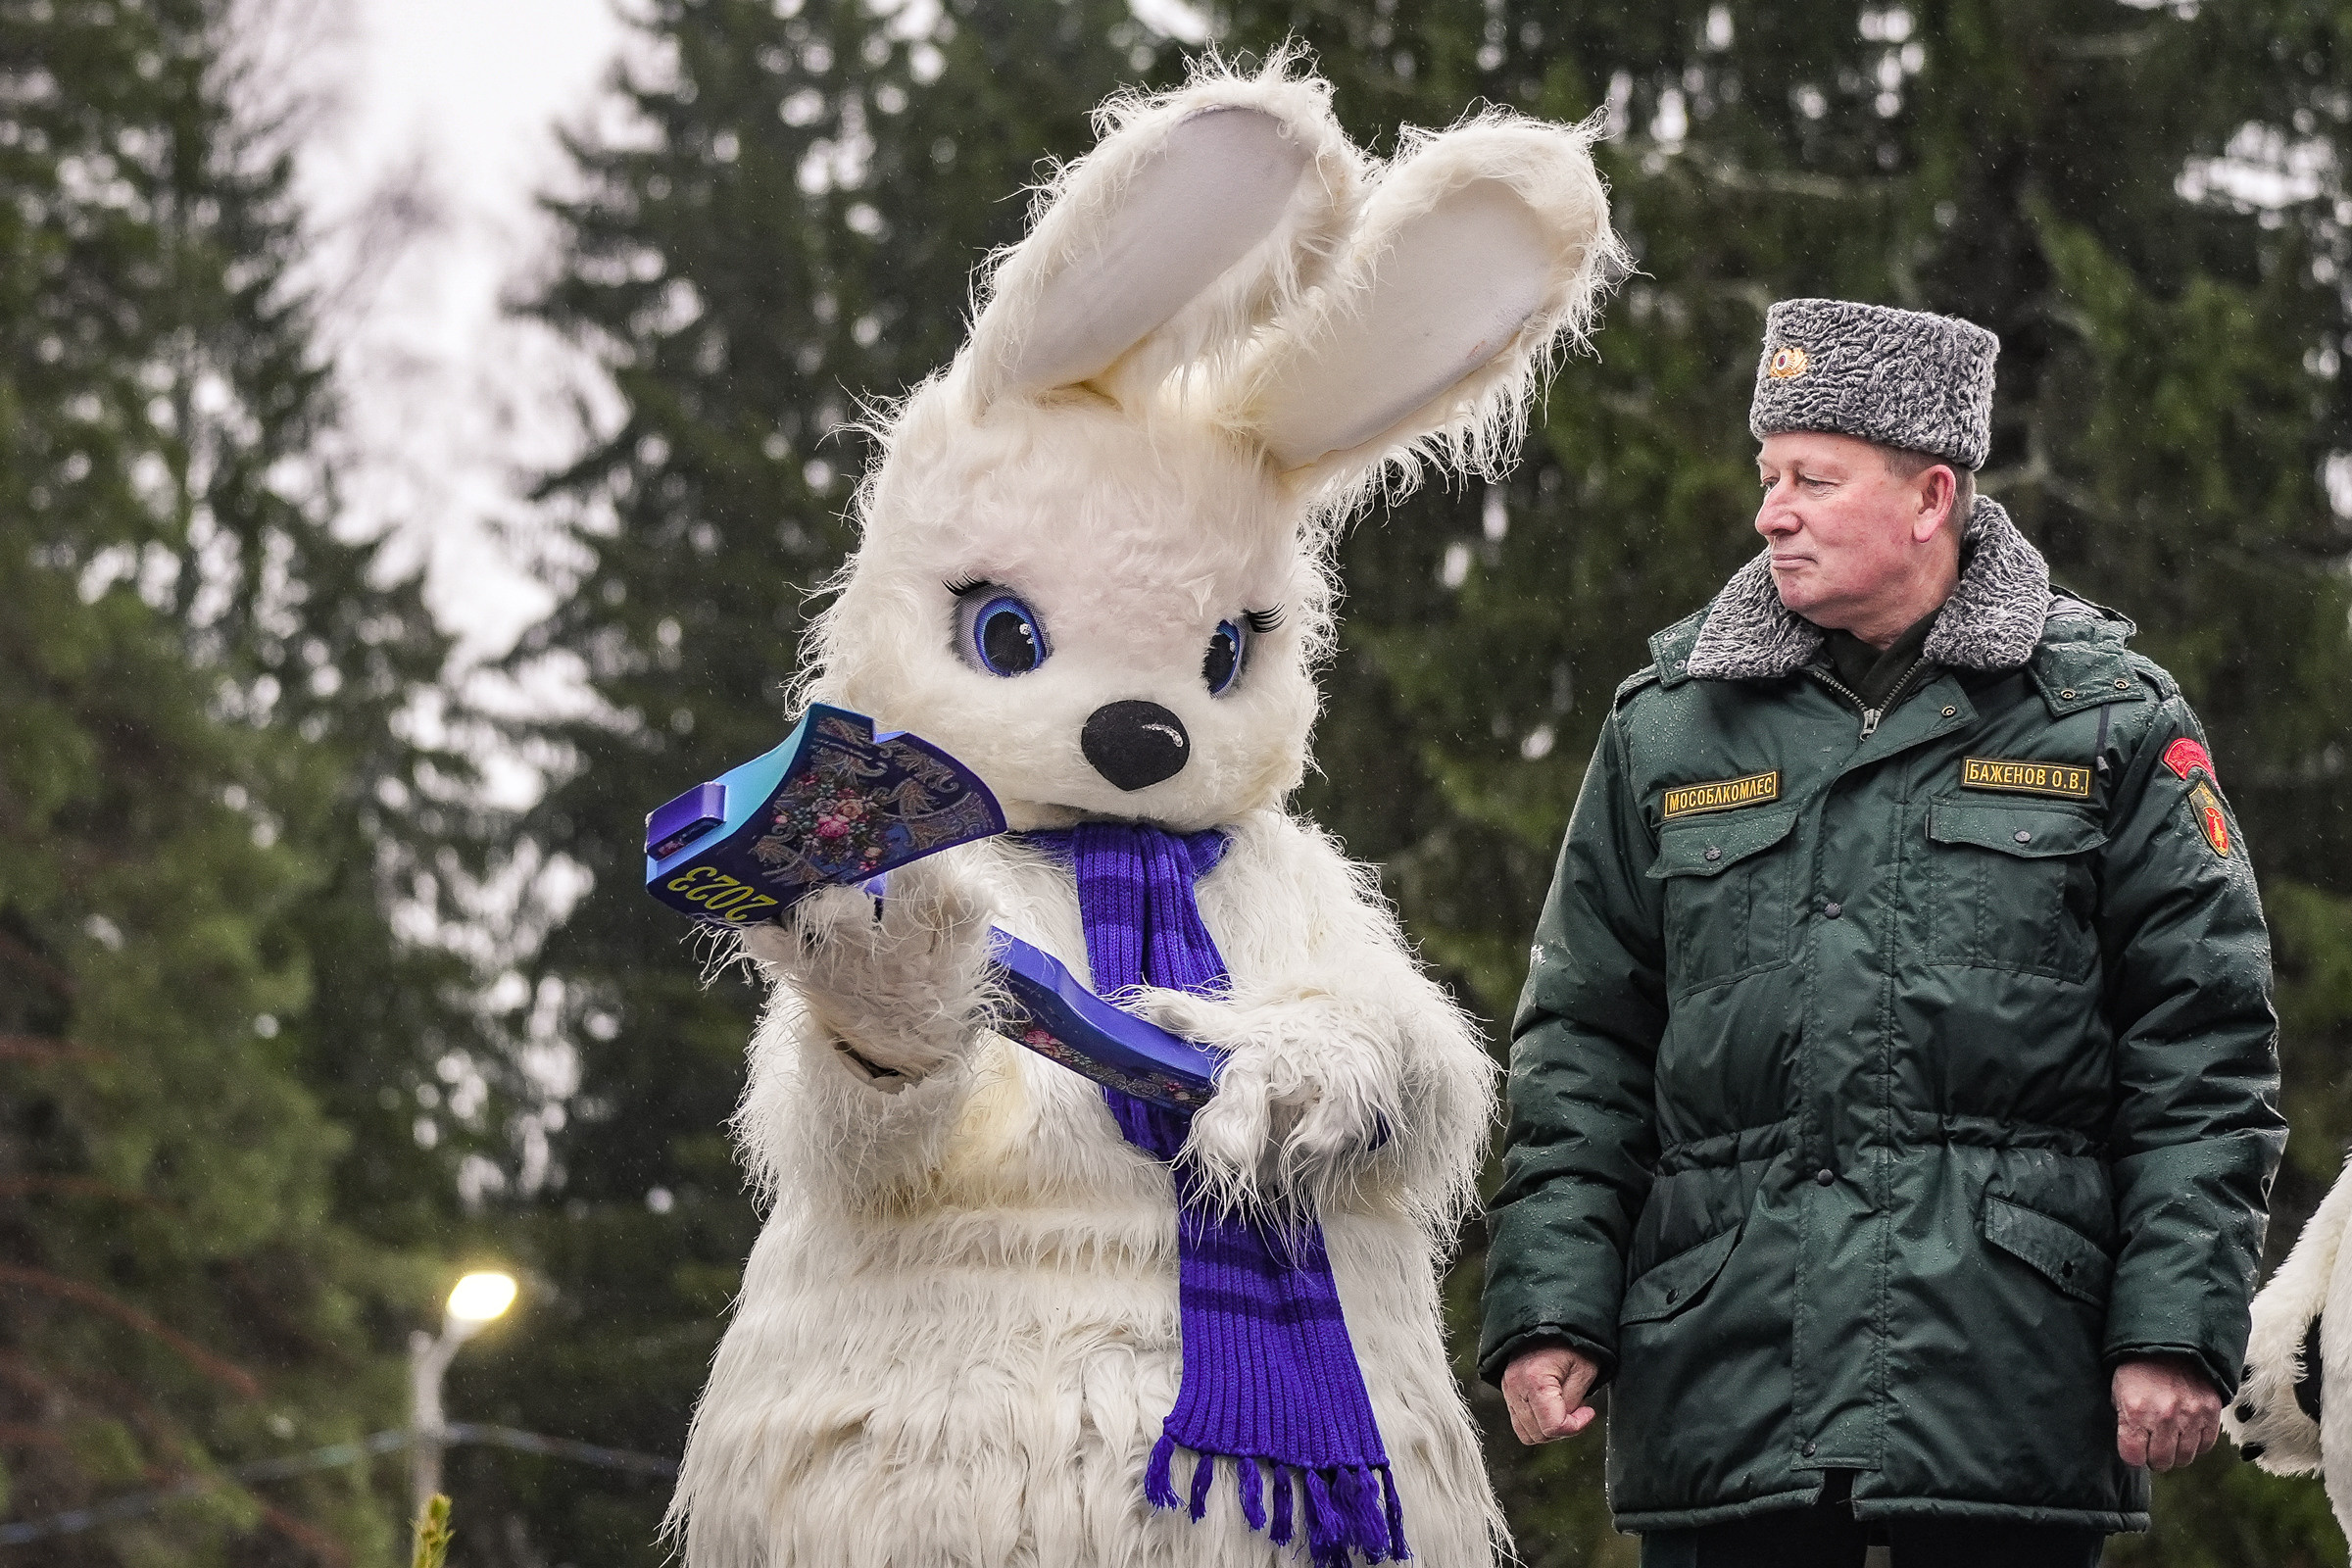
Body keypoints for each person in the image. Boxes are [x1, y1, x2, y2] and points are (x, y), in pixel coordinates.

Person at [1478, 298, 2284, 1568]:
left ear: (1929, 496)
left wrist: (2177, 1327)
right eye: (1766, 476)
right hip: (1728, 1400)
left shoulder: (2111, 720)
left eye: (1812, 477)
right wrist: (1548, 1309)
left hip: (2001, 1395)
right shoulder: (1666, 729)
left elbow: (2203, 1049)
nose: (1770, 512)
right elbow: (1584, 1043)